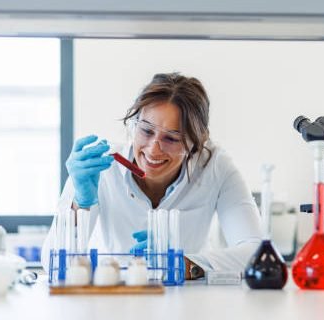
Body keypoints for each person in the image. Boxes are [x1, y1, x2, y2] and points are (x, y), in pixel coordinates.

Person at [41, 73, 263, 279]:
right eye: (146, 131)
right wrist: (80, 204)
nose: (153, 150)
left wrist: (185, 264)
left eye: (172, 139)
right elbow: (52, 267)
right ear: (134, 125)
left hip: (187, 305)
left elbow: (258, 255)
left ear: (195, 144)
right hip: (113, 302)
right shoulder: (101, 167)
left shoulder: (215, 166)